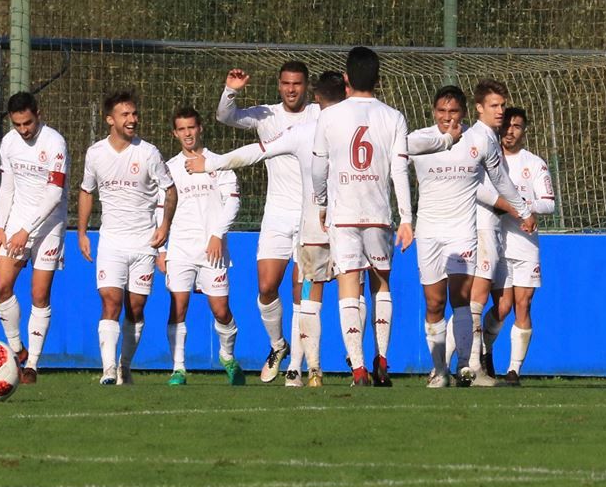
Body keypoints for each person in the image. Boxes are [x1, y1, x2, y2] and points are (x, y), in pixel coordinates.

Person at [190, 72, 459, 387]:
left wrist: (213, 163)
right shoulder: (372, 123)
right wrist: (445, 139)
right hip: (359, 218)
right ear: (345, 92)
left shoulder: (304, 131)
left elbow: (256, 151)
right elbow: (412, 144)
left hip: (319, 223)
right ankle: (370, 358)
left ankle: (312, 369)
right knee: (363, 289)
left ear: (317, 98)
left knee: (310, 295)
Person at [411, 87, 533, 388]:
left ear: (464, 113)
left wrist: (522, 209)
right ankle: (439, 370)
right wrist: (403, 217)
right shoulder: (418, 140)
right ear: (433, 112)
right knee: (433, 303)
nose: (447, 117)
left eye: (453, 111)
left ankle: (469, 368)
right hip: (427, 232)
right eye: (442, 111)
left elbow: (501, 181)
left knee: (462, 299)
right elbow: (393, 167)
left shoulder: (479, 140)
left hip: (463, 232)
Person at [310, 47, 413, 387]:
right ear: (378, 79)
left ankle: (357, 369)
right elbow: (400, 170)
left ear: (346, 79)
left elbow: (318, 167)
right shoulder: (394, 117)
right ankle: (382, 359)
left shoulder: (329, 116)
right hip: (379, 215)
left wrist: (322, 202)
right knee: (381, 284)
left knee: (348, 285)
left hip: (344, 215)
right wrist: (407, 219)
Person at [217, 63, 320, 383]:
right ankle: (279, 346)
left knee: (300, 292)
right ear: (279, 85)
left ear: (306, 86)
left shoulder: (320, 114)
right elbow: (225, 116)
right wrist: (230, 91)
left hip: (310, 215)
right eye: (287, 84)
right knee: (266, 287)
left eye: (298, 84)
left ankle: (299, 368)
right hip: (276, 214)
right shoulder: (266, 114)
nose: (292, 89)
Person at [77, 91, 177, 385]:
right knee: (111, 301)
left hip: (144, 242)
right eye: (125, 114)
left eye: (134, 114)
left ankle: (124, 366)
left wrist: (165, 226)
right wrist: (82, 232)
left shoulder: (148, 152)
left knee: (136, 307)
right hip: (111, 241)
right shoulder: (95, 153)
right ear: (110, 119)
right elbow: (86, 191)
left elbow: (170, 190)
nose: (132, 119)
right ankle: (107, 369)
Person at [165, 107, 245, 386]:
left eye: (191, 128)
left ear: (200, 128)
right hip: (180, 248)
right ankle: (178, 368)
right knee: (178, 307)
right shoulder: (170, 168)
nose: (187, 134)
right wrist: (161, 250)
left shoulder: (219, 162)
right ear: (175, 133)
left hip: (214, 249)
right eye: (181, 129)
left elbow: (233, 201)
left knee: (221, 310)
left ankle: (227, 356)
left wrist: (216, 234)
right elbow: (160, 209)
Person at [0, 91, 69, 385]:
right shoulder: (9, 143)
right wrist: (1, 228)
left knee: (39, 294)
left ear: (39, 113)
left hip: (48, 226)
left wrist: (28, 231)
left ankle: (32, 365)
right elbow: (7, 187)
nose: (24, 130)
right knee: (1, 286)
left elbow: (54, 193)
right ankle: (17, 351)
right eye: (18, 125)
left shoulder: (54, 143)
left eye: (28, 123)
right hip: (17, 223)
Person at [479, 107, 556, 386]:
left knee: (523, 305)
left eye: (517, 126)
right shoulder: (488, 160)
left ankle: (513, 371)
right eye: (507, 125)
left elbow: (549, 202)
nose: (510, 131)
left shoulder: (534, 163)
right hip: (495, 242)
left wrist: (522, 206)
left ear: (524, 130)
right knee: (502, 307)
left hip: (525, 245)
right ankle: (484, 351)